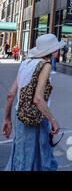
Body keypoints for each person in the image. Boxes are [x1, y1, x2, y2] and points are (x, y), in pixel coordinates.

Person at [2, 34, 64, 171]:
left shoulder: (26, 62)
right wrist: (53, 120)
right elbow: (38, 99)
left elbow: (11, 94)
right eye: (57, 48)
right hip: (36, 119)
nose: (58, 51)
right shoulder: (46, 65)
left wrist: (6, 118)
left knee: (20, 156)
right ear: (51, 51)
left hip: (20, 117)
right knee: (41, 158)